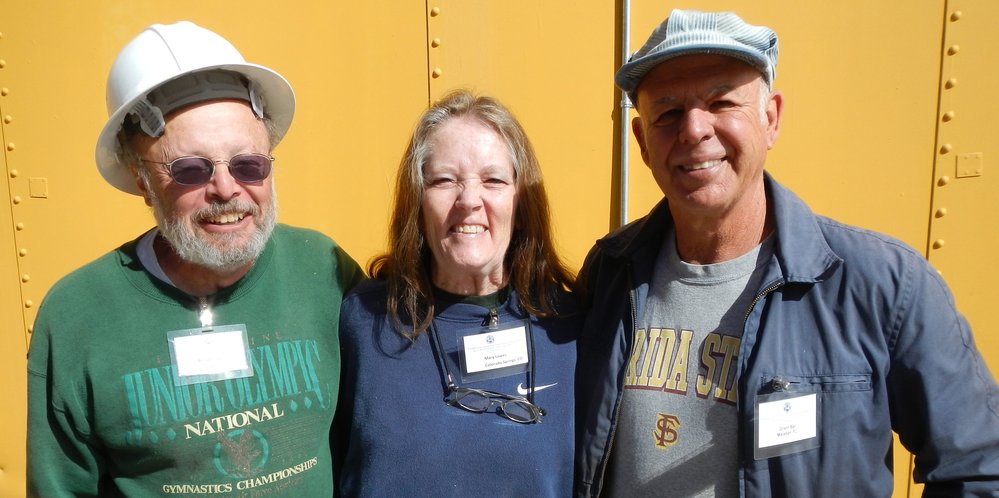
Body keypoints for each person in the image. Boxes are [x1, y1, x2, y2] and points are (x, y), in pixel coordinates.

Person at [575, 8, 999, 497]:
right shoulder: (610, 271)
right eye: (668, 112)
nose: (694, 130)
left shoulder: (883, 285)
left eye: (721, 102)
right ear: (643, 144)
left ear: (770, 118)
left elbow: (976, 470)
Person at [26, 21, 361, 496]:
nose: (226, 189)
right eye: (190, 169)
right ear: (142, 180)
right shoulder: (78, 315)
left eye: (249, 164)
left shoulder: (325, 271)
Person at [334, 89, 579, 496]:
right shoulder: (361, 324)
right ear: (418, 199)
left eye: (493, 180)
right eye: (445, 180)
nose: (469, 201)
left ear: (520, 201)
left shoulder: (571, 330)